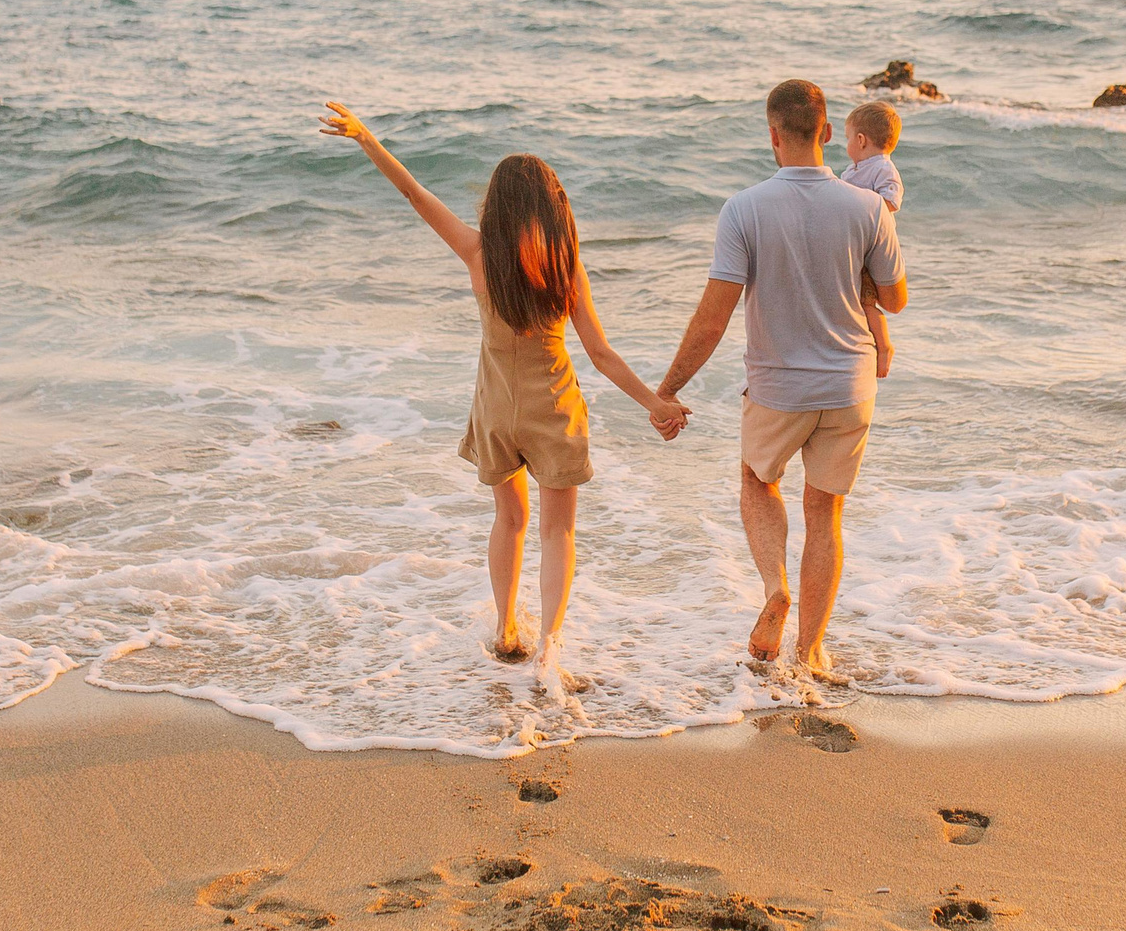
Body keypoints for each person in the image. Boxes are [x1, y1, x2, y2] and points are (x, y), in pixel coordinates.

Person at [318, 101, 687, 688]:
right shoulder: (566, 268)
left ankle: (505, 627)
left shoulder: (477, 254)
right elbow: (600, 353)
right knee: (558, 531)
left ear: (496, 207)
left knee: (509, 520)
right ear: (553, 209)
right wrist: (656, 403)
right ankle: (549, 648)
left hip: (495, 409)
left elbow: (414, 194)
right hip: (554, 410)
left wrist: (366, 137)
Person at [657, 79, 906, 678]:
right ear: (828, 132)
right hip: (850, 386)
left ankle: (775, 587)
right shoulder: (868, 207)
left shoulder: (744, 208)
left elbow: (713, 318)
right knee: (825, 512)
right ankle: (810, 651)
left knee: (757, 480)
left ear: (773, 135)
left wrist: (668, 389)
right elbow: (895, 300)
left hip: (778, 389)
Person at [839, 100, 905, 380]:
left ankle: (884, 346)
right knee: (853, 299)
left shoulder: (883, 168)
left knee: (867, 302)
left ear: (861, 140)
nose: (846, 145)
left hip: (870, 246)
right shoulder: (852, 171)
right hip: (853, 244)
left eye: (847, 138)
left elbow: (891, 200)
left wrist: (863, 208)